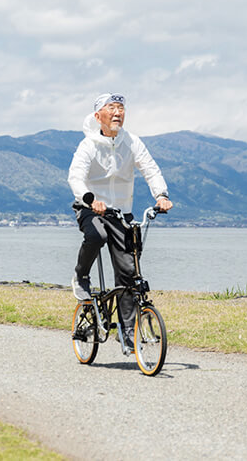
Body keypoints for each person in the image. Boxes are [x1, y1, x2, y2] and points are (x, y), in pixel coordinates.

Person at [67, 92, 173, 352]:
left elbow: (150, 169)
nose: (118, 113)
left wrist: (161, 195)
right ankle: (81, 276)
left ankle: (127, 333)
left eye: (121, 108)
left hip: (121, 214)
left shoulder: (131, 142)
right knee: (97, 236)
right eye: (111, 108)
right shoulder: (88, 145)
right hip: (91, 208)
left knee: (129, 274)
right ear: (98, 116)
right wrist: (91, 200)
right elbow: (75, 178)